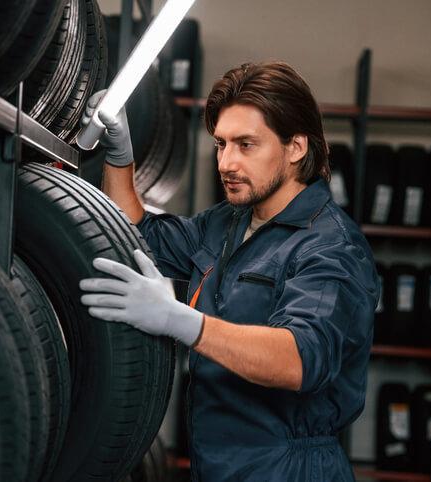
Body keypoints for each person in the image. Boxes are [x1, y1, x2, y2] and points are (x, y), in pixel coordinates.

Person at [78, 61, 379, 481]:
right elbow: (135, 234)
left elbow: (299, 360)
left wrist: (183, 322)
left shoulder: (331, 247)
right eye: (221, 144)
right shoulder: (228, 222)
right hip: (219, 464)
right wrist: (119, 158)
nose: (225, 162)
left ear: (296, 147)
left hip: (289, 469)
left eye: (246, 144)